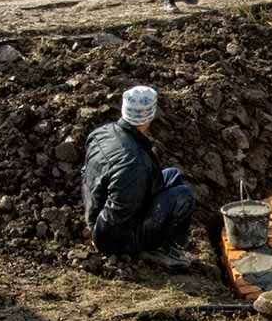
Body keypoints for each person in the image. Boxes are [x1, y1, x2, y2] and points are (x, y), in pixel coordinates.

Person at [82, 85, 196, 269]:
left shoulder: (103, 132)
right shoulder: (133, 164)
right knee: (184, 196)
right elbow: (119, 214)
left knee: (172, 175)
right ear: (149, 116)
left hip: (96, 208)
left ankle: (160, 241)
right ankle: (157, 249)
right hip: (113, 237)